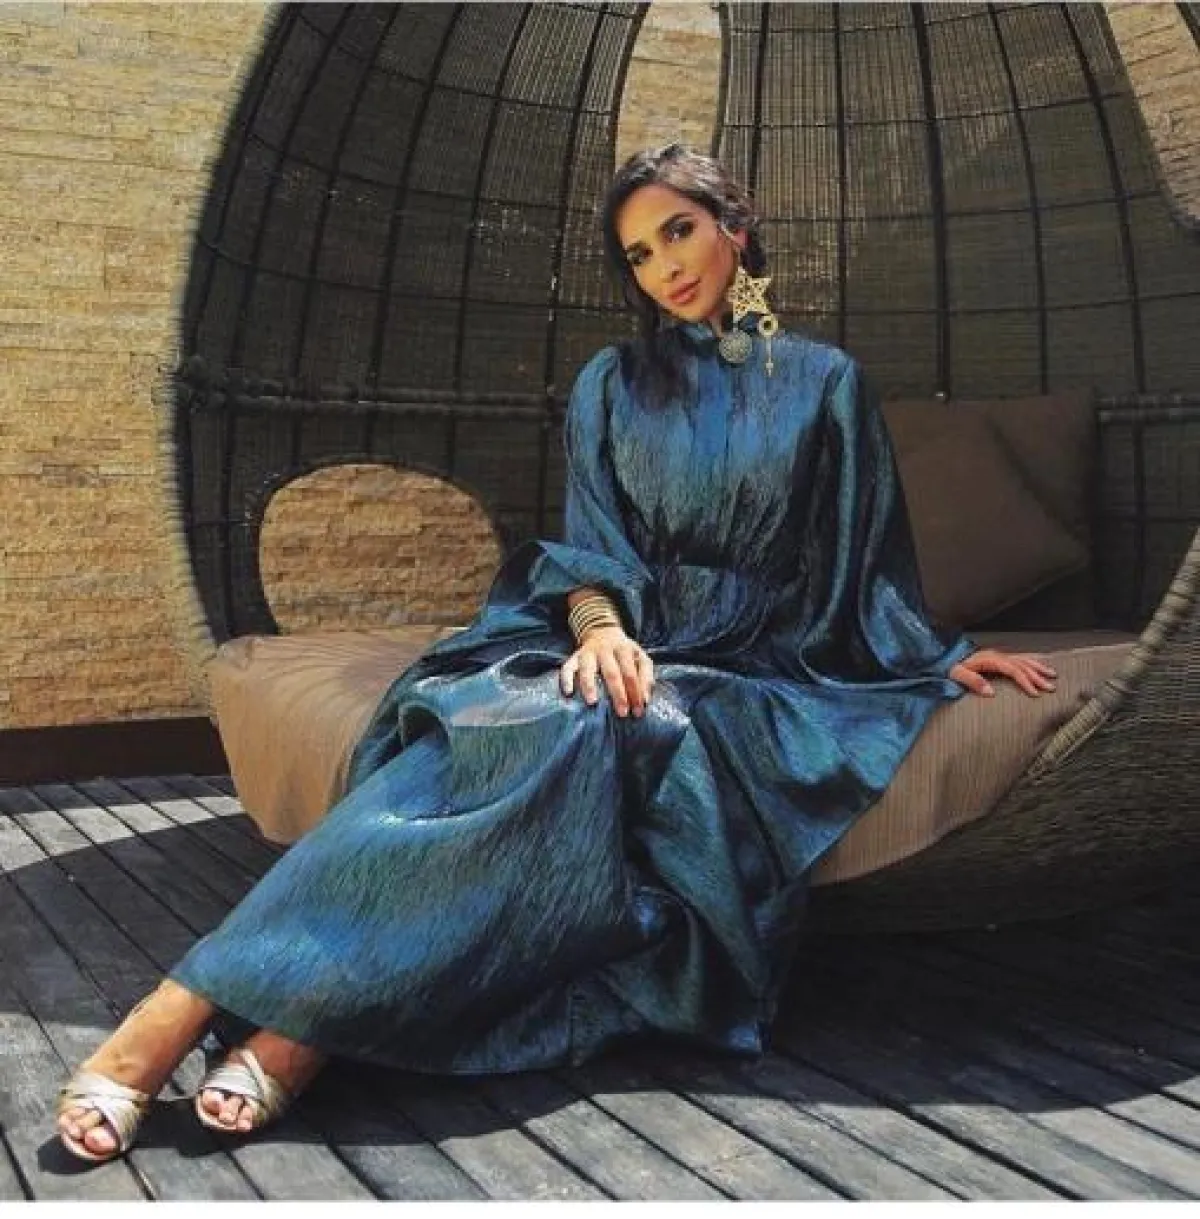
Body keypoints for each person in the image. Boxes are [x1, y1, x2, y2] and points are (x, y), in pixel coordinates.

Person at [57, 144, 1056, 1162]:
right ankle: (229, 1016)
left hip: (747, 664)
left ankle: (257, 1020)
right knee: (527, 716)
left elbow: (862, 558)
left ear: (735, 228)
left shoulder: (827, 383)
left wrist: (933, 658)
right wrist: (602, 629)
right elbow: (590, 545)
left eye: (679, 231)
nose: (665, 267)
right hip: (607, 631)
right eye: (639, 254)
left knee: (591, 722)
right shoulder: (611, 383)